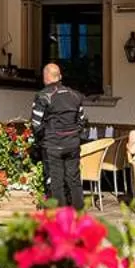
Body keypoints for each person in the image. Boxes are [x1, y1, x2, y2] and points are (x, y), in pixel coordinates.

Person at [30, 62, 87, 208]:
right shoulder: (76, 95)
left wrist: (42, 140)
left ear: (45, 77)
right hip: (72, 143)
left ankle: (61, 219)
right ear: (60, 76)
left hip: (52, 144)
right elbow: (82, 121)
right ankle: (79, 216)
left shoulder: (42, 96)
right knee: (74, 180)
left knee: (56, 182)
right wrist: (74, 135)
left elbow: (36, 124)